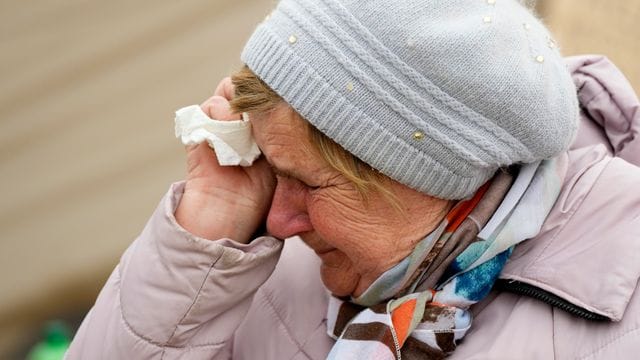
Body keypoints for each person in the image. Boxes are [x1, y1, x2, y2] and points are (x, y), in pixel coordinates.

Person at [66, 0, 640, 359]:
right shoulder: (259, 267)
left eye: (310, 184)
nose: (277, 221)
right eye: (273, 168)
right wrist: (208, 220)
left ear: (435, 178)